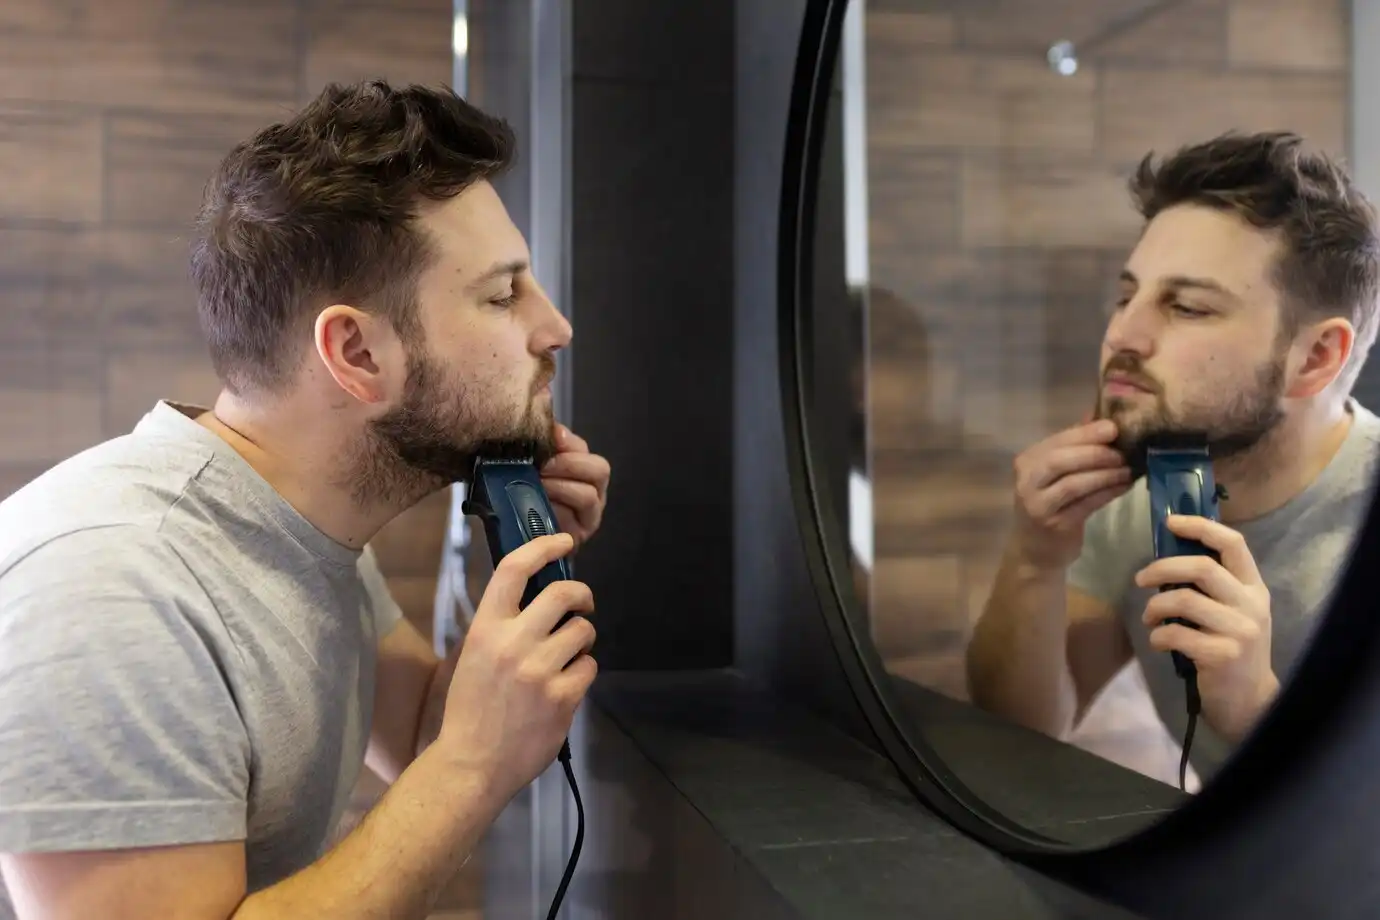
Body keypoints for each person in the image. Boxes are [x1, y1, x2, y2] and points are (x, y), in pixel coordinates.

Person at [0, 80, 612, 920]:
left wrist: (519, 554)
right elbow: (457, 760)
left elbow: (430, 736)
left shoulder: (293, 529)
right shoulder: (113, 590)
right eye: (503, 295)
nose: (555, 328)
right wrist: (471, 763)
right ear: (356, 351)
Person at [966, 131, 1380, 785]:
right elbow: (1024, 731)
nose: (1121, 335)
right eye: (1127, 295)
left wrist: (1257, 712)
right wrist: (1034, 560)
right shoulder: (1135, 489)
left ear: (1316, 357)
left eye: (1186, 306)